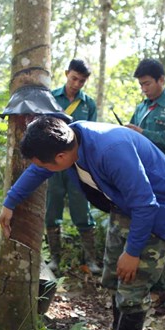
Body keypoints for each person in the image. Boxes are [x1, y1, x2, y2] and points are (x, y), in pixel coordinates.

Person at [0, 115, 165, 330]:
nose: (43, 169)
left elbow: (146, 204)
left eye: (47, 164)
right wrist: (9, 202)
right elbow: (39, 169)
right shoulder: (68, 139)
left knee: (133, 283)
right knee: (114, 277)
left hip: (154, 209)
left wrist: (132, 252)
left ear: (60, 158)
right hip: (124, 205)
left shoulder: (110, 150)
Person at [126, 58, 165, 308]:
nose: (144, 88)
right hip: (142, 178)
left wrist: (143, 134)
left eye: (148, 83)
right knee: (144, 228)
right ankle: (154, 283)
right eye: (141, 85)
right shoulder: (142, 108)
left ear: (161, 80)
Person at [47, 59, 100, 275]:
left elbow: (91, 134)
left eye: (82, 81)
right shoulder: (51, 97)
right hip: (53, 161)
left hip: (78, 164)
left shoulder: (89, 104)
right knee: (52, 207)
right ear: (66, 73)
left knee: (82, 209)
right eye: (74, 78)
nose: (77, 84)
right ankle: (54, 258)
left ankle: (91, 259)